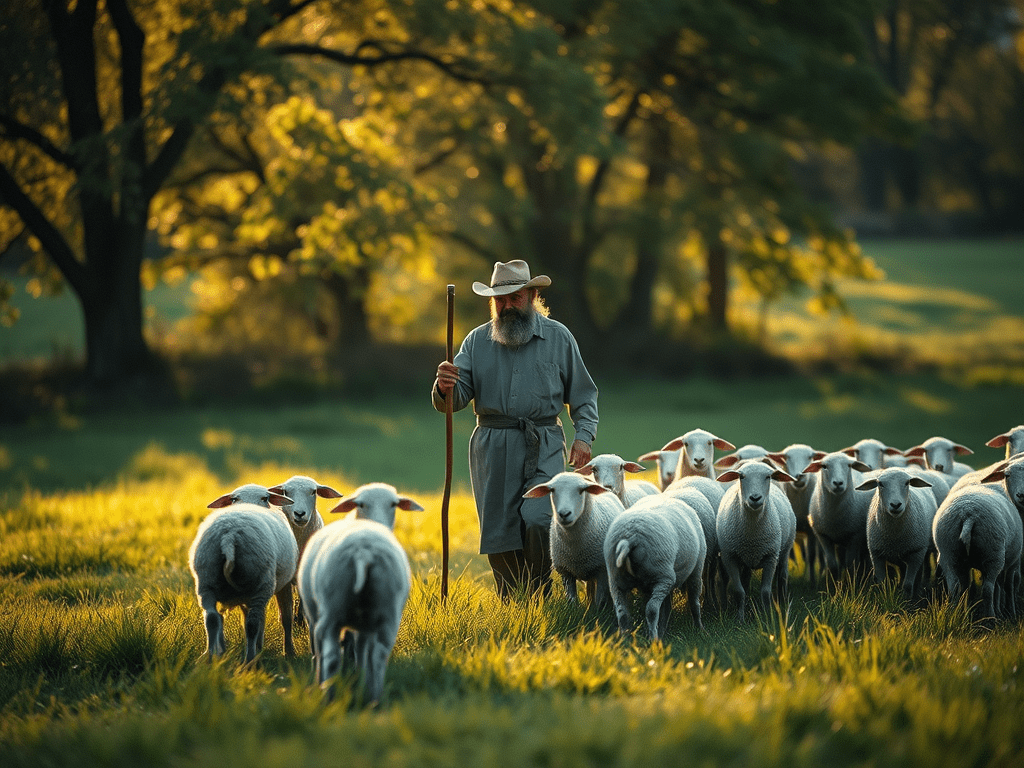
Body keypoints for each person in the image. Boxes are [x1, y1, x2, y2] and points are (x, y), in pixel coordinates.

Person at [432, 259, 599, 598]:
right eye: (500, 300)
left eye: (515, 297)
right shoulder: (477, 341)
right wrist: (444, 385)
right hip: (492, 444)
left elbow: (583, 394)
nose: (507, 306)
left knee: (539, 518)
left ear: (533, 295)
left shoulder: (559, 337)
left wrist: (583, 437)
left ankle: (539, 589)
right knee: (500, 530)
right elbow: (455, 399)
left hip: (544, 442)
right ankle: (512, 601)